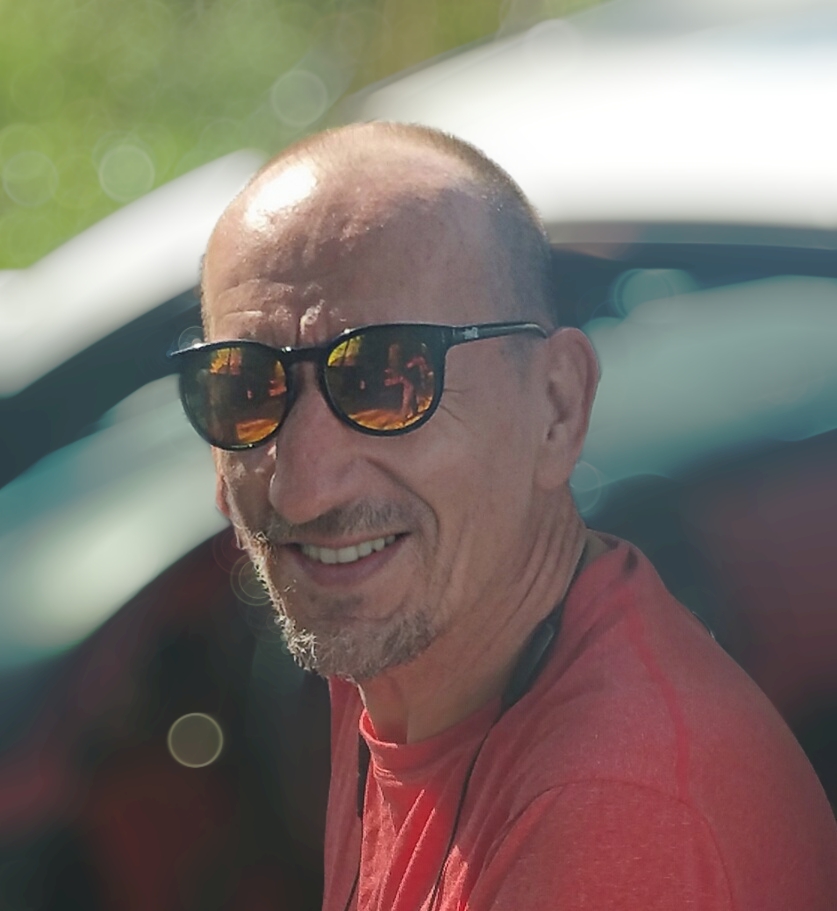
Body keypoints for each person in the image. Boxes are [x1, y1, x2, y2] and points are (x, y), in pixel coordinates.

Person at [172, 122, 837, 910]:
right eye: (245, 388)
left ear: (556, 406)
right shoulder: (402, 658)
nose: (303, 490)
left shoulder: (611, 817)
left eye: (387, 379)